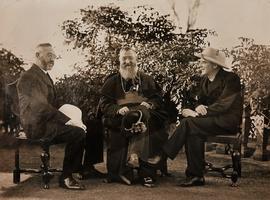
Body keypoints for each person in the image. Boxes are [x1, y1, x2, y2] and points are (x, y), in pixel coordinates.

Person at [17, 43, 103, 190]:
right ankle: (66, 177)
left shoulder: (44, 75)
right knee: (77, 132)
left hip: (47, 121)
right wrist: (68, 120)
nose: (53, 59)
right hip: (36, 126)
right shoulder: (29, 77)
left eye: (54, 56)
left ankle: (86, 167)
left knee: (93, 125)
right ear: (37, 55)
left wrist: (75, 115)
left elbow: (54, 104)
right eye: (49, 55)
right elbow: (40, 107)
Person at [153, 47, 242, 187]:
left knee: (188, 123)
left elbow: (224, 105)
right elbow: (198, 101)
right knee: (192, 132)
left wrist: (198, 113)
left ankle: (162, 157)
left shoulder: (231, 79)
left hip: (227, 121)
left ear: (214, 65)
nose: (199, 64)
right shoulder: (205, 80)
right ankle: (196, 176)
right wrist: (194, 109)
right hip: (210, 121)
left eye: (203, 62)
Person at [99, 46, 168, 187]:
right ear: (119, 61)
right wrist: (118, 109)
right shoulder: (111, 81)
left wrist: (150, 104)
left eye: (130, 57)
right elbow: (104, 104)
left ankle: (145, 172)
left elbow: (158, 99)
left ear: (136, 60)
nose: (127, 61)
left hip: (146, 114)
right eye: (124, 58)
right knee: (137, 123)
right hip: (121, 117)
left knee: (143, 118)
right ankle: (132, 168)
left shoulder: (147, 79)